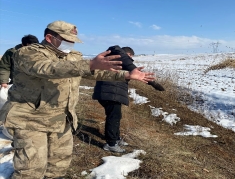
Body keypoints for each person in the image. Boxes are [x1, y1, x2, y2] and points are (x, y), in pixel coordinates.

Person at [0, 20, 154, 179]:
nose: (71, 44)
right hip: (30, 119)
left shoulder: (73, 56)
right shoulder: (28, 53)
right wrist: (90, 64)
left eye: (72, 41)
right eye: (66, 40)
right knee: (31, 168)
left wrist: (126, 75)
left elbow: (95, 73)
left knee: (58, 164)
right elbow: (48, 68)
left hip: (61, 118)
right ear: (49, 38)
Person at [92, 46, 165, 153]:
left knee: (115, 116)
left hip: (108, 92)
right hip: (111, 93)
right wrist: (153, 84)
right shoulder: (118, 56)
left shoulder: (112, 60)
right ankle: (111, 144)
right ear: (128, 54)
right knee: (113, 117)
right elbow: (117, 49)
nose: (130, 60)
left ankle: (115, 139)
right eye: (130, 57)